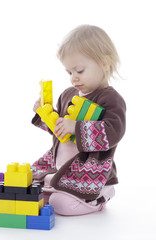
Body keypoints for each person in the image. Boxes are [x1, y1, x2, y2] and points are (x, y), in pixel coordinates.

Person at [31, 25, 126, 216]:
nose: (74, 78)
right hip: (62, 166)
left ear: (104, 63)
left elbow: (113, 131)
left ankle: (101, 195)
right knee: (34, 193)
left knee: (59, 204)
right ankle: (61, 188)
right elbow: (59, 130)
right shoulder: (67, 95)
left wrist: (76, 127)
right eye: (69, 72)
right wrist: (45, 114)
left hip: (89, 171)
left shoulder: (110, 99)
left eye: (80, 71)